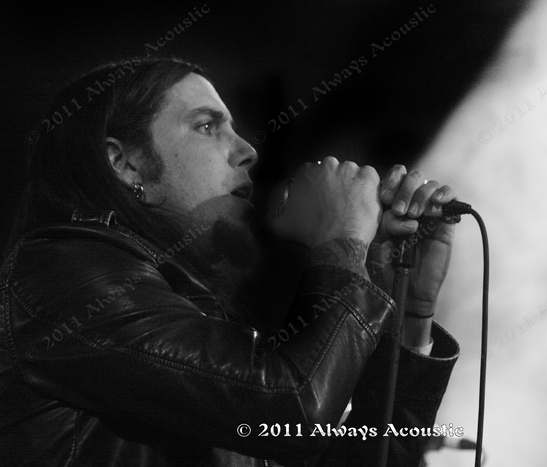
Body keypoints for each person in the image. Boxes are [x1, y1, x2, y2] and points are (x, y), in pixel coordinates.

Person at [0, 58, 460, 466]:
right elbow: (292, 408)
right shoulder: (63, 272)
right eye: (207, 126)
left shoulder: (196, 313)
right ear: (125, 164)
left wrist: (407, 315)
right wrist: (344, 243)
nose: (247, 151)